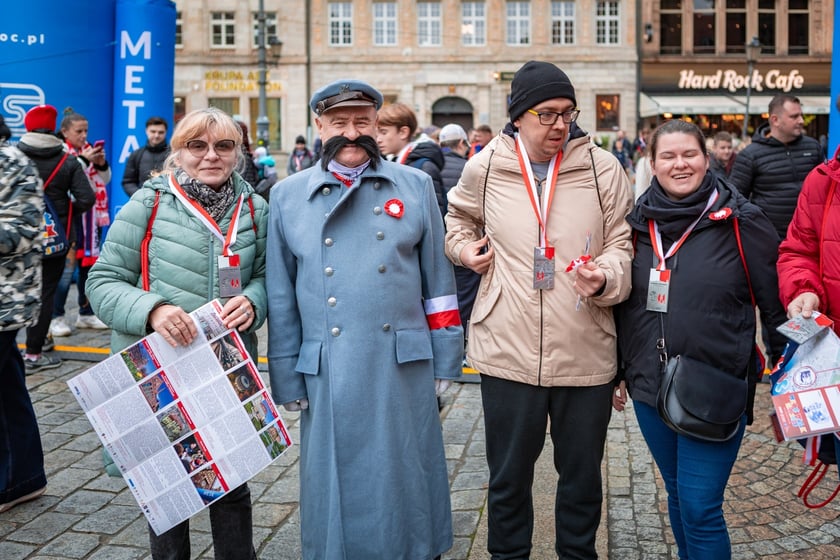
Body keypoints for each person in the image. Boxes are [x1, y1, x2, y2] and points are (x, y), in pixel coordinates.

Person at [266, 79, 463, 559]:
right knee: (336, 480)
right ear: (318, 126)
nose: (351, 133)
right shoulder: (288, 196)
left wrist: (445, 357)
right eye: (339, 122)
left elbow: (438, 284)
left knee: (406, 469)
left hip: (402, 359)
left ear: (378, 124)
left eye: (361, 122)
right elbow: (281, 296)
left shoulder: (414, 186)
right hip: (329, 365)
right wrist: (287, 376)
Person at [444, 60, 633, 559]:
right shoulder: (485, 165)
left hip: (584, 348)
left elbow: (621, 242)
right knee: (508, 479)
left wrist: (606, 276)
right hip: (507, 346)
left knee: (581, 482)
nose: (559, 125)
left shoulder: (601, 167)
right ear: (518, 116)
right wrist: (464, 250)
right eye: (546, 114)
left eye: (567, 113)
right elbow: (457, 218)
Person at [86, 107, 269, 560]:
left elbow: (268, 277)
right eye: (197, 146)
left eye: (223, 146)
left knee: (231, 485)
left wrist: (254, 300)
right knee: (167, 492)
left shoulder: (255, 208)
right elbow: (102, 281)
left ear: (238, 153)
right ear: (178, 153)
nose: (211, 156)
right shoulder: (147, 203)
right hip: (157, 367)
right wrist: (153, 309)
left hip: (225, 366)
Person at [613, 119, 787, 559]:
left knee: (700, 505)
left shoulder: (742, 221)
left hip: (714, 385)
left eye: (689, 154)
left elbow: (775, 306)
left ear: (706, 159)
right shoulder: (635, 225)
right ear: (651, 164)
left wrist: (787, 379)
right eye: (668, 156)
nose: (680, 164)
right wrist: (619, 370)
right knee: (676, 493)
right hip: (650, 387)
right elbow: (625, 306)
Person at [17, 105, 94, 372]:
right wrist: (64, 215)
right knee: (46, 294)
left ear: (27, 126)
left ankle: (10, 349)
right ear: (54, 129)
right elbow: (87, 198)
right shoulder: (68, 161)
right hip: (55, 240)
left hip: (18, 239)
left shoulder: (14, 157)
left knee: (15, 290)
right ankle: (35, 353)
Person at [0, 114, 48, 512]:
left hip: (5, 299)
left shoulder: (13, 163)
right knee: (8, 389)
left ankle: (12, 480)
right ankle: (22, 478)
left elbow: (22, 229)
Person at [729, 94, 823, 241]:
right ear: (775, 120)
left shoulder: (813, 147)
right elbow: (735, 198)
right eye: (794, 116)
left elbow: (824, 190)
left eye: (801, 115)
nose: (801, 121)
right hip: (769, 240)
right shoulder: (750, 155)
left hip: (811, 237)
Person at [52, 109, 112, 333]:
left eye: (86, 130)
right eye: (79, 131)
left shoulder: (85, 151)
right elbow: (64, 182)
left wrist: (100, 163)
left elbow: (104, 181)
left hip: (91, 216)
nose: (84, 135)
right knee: (65, 271)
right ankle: (56, 316)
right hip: (69, 218)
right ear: (65, 131)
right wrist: (83, 161)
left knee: (90, 268)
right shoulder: (60, 152)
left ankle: (86, 313)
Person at [438, 123, 480, 348]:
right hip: (463, 244)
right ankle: (460, 341)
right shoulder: (469, 168)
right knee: (464, 295)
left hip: (438, 243)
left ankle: (445, 339)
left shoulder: (431, 167)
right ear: (462, 143)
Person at [376, 102, 446, 214]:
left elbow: (434, 213)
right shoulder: (390, 161)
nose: (378, 139)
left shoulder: (423, 167)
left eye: (383, 132)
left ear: (403, 132)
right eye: (377, 133)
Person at [122, 116, 170, 197]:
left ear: (166, 132)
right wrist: (141, 196)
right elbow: (128, 181)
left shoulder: (173, 155)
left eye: (161, 132)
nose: (156, 135)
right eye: (153, 131)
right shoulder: (136, 154)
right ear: (146, 131)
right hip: (142, 203)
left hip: (168, 202)